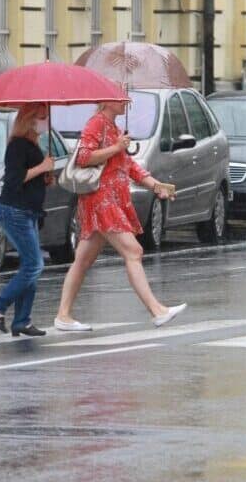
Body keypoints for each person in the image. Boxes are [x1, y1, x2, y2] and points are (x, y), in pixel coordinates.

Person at [53, 101, 187, 331]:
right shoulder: (96, 123)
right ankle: (157, 311)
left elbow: (129, 165)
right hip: (101, 201)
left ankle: (63, 316)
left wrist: (157, 186)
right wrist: (116, 147)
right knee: (133, 251)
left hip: (111, 199)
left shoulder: (114, 127)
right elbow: (84, 157)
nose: (126, 102)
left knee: (82, 260)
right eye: (121, 99)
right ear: (108, 101)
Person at [0, 104, 54, 337]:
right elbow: (14, 179)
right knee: (34, 265)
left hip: (28, 211)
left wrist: (44, 177)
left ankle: (22, 320)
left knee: (29, 266)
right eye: (42, 117)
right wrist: (42, 167)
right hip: (15, 211)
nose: (45, 121)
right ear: (29, 120)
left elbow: (29, 177)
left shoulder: (33, 145)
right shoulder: (17, 146)